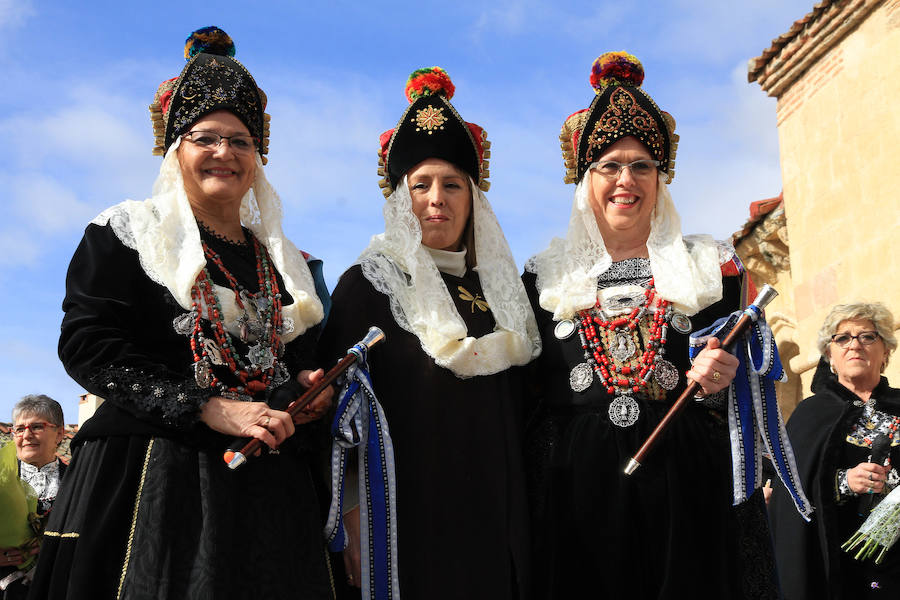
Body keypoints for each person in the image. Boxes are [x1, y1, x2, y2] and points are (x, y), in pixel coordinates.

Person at [27, 27, 334, 599]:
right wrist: (207, 408)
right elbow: (88, 345)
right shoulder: (126, 233)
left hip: (265, 478)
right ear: (176, 149)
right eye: (206, 137)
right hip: (153, 476)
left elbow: (283, 360)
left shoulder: (279, 261)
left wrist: (303, 388)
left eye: (241, 141)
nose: (225, 153)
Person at [523, 52, 784, 598]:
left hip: (688, 489)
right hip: (578, 494)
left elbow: (748, 394)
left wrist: (724, 379)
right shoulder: (542, 280)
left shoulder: (709, 269)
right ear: (583, 180)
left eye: (642, 166)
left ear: (661, 180)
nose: (626, 180)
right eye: (609, 166)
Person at [319, 67, 541, 599]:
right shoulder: (367, 286)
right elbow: (335, 413)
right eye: (420, 185)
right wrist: (349, 510)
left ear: (473, 198)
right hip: (404, 518)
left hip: (499, 515)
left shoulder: (506, 295)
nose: (436, 199)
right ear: (401, 198)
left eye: (452, 185)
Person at [769, 302, 900, 599]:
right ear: (830, 355)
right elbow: (789, 494)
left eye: (867, 336)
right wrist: (844, 482)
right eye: (842, 338)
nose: (854, 345)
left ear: (886, 351)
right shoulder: (810, 414)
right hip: (836, 567)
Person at [0, 396, 66, 599]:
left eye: (37, 426)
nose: (26, 435)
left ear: (60, 433)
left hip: (55, 586)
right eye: (19, 429)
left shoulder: (76, 481)